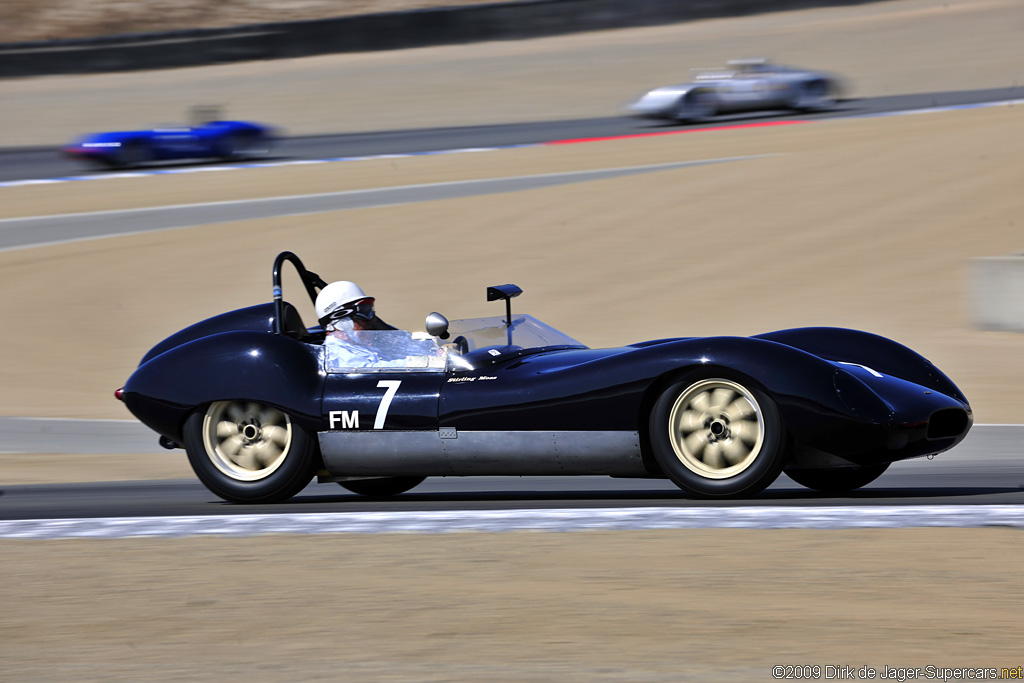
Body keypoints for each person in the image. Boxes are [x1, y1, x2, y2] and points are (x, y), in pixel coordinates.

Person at [315, 281, 441, 370]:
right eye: (364, 312)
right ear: (341, 321)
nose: (372, 319)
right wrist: (427, 362)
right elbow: (374, 370)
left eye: (370, 310)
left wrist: (435, 351)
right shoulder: (338, 355)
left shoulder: (359, 348)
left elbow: (399, 353)